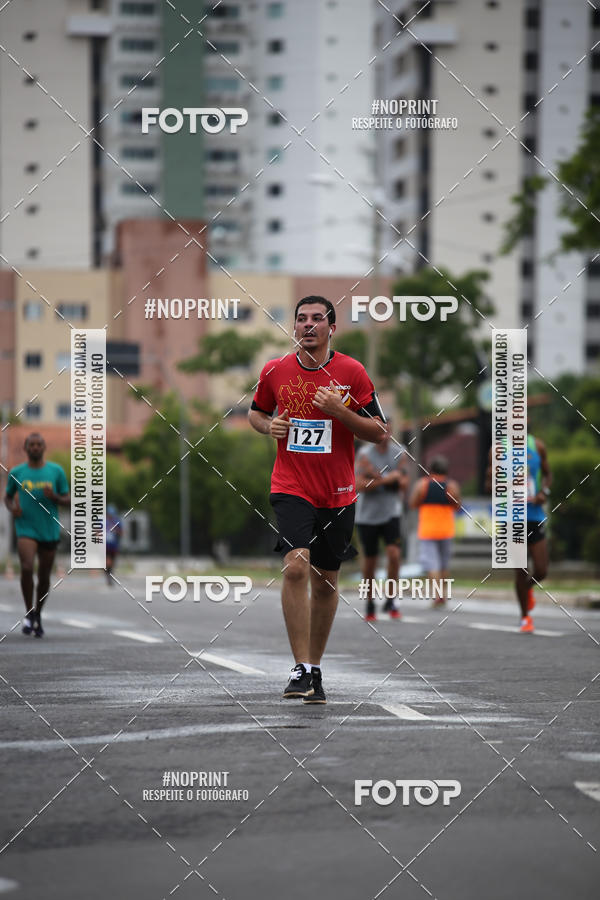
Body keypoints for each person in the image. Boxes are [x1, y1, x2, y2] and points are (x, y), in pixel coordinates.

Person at [248, 295, 385, 703]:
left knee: (326, 584)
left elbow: (380, 432)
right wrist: (268, 426)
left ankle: (316, 669)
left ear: (331, 328)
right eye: (301, 319)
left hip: (338, 492)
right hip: (290, 485)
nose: (308, 325)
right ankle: (300, 668)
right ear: (293, 327)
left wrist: (341, 412)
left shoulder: (352, 372)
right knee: (295, 567)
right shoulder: (275, 370)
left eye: (317, 319)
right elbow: (256, 412)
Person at [4, 433, 70, 637]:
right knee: (26, 567)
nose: (34, 447)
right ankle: (28, 612)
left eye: (38, 444)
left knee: (43, 576)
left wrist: (55, 497)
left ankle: (38, 613)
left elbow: (68, 499)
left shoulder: (56, 471)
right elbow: (7, 497)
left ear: (44, 447)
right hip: (26, 527)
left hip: (49, 529)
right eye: (31, 445)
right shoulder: (16, 472)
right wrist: (12, 508)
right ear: (25, 448)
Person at [485, 434, 551, 633]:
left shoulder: (537, 446)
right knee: (521, 570)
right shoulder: (497, 450)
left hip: (534, 514)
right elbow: (488, 486)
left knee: (542, 570)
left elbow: (548, 475)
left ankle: (527, 588)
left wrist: (544, 493)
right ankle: (525, 617)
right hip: (510, 518)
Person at [355, 423, 408, 622]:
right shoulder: (365, 455)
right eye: (380, 431)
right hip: (367, 515)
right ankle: (370, 602)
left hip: (391, 513)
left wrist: (377, 478)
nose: (384, 436)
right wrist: (387, 480)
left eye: (387, 432)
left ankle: (392, 599)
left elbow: (404, 483)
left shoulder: (399, 452)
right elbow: (359, 484)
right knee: (370, 561)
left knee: (394, 555)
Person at [409, 455, 461, 607]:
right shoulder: (452, 485)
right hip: (446, 530)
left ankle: (437, 595)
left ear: (430, 469)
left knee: (432, 565)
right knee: (444, 564)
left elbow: (412, 504)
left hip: (428, 530)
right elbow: (457, 506)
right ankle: (443, 594)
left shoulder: (422, 485)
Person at [106, 504, 123, 586]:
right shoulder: (103, 522)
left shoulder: (117, 521)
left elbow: (121, 532)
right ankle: (108, 575)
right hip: (105, 545)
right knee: (108, 560)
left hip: (114, 545)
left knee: (112, 562)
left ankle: (110, 573)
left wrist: (116, 530)